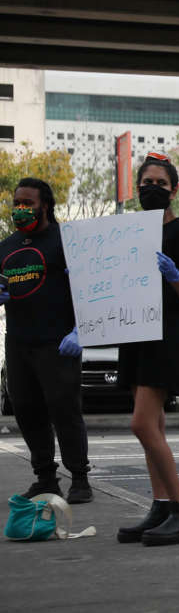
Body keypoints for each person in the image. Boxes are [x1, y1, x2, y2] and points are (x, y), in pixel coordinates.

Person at [114, 153, 179, 546]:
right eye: (145, 183)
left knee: (141, 423)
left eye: (159, 183)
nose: (151, 189)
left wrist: (174, 276)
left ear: (174, 189)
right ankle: (162, 505)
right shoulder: (130, 233)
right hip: (136, 333)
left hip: (167, 338)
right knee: (154, 426)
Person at [0, 178, 91, 504]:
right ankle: (46, 479)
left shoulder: (66, 241)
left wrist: (81, 330)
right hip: (19, 342)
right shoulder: (7, 246)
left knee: (64, 410)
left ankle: (79, 479)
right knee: (26, 410)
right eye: (17, 203)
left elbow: (88, 288)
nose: (21, 209)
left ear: (46, 206)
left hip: (57, 342)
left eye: (28, 203)